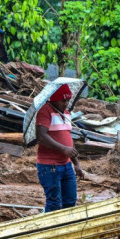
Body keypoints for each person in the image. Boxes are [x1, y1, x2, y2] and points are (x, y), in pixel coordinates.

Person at [35, 84, 83, 212]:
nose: (66, 103)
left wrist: (76, 164)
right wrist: (63, 149)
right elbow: (41, 136)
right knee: (54, 203)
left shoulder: (66, 113)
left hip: (66, 165)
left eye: (68, 100)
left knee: (70, 201)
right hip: (50, 166)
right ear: (54, 99)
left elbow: (68, 139)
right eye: (63, 101)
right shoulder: (45, 111)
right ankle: (49, 230)